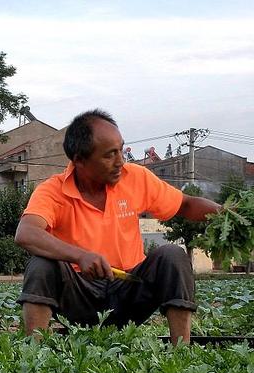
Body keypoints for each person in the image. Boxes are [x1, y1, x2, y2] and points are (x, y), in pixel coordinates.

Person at [14, 109, 220, 344]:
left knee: (173, 255)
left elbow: (185, 204)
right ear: (79, 160)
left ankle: (181, 350)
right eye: (109, 155)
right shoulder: (52, 190)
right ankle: (33, 352)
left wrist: (228, 215)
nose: (120, 161)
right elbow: (27, 233)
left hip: (129, 290)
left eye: (121, 150)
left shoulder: (135, 178)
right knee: (41, 263)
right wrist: (80, 256)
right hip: (79, 296)